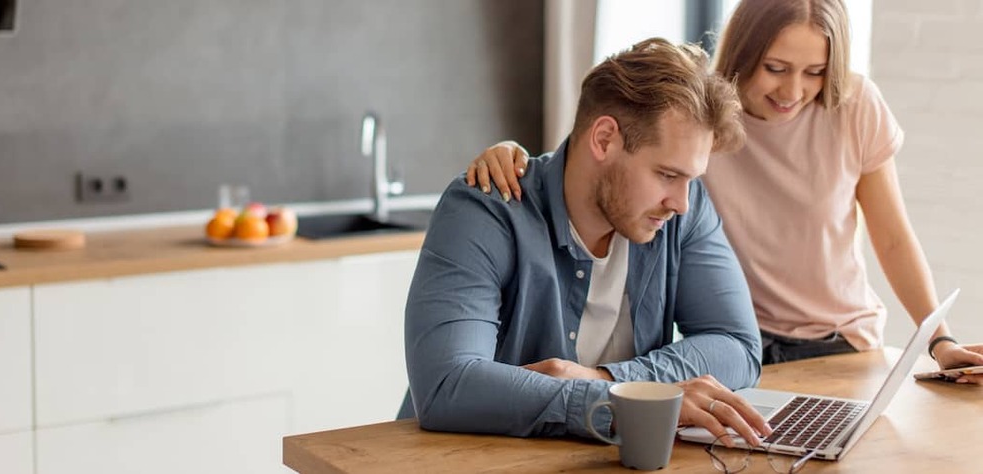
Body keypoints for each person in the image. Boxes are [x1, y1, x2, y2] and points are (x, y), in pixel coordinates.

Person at [465, 0, 983, 382]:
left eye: (816, 72)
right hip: (736, 343)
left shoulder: (854, 108)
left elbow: (893, 239)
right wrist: (518, 155)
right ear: (743, 52)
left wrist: (937, 339)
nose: (793, 92)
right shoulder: (699, 117)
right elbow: (607, 156)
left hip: (840, 345)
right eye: (776, 68)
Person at [401, 37, 773, 447]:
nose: (681, 203)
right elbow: (448, 386)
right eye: (667, 175)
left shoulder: (683, 209)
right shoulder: (486, 210)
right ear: (604, 139)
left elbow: (737, 346)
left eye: (691, 179)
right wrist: (631, 401)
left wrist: (615, 384)